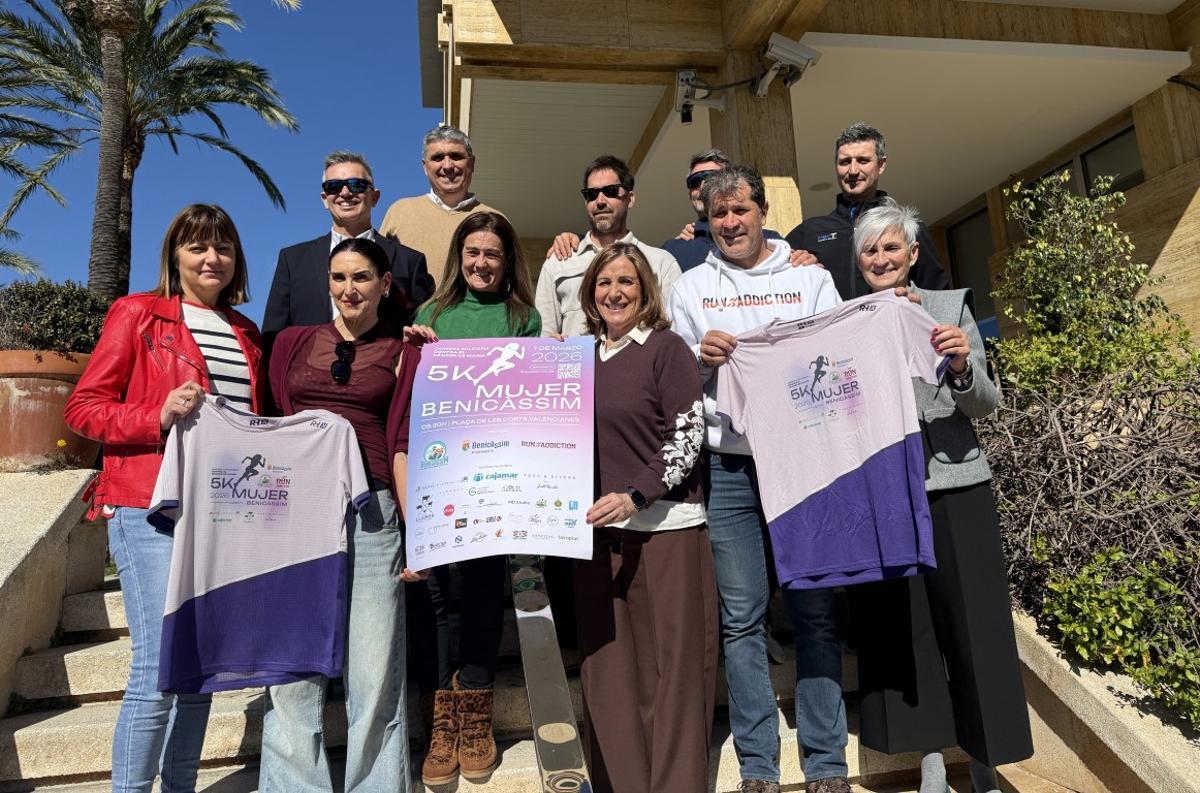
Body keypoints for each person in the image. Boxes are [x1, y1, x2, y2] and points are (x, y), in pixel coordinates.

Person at [63, 204, 267, 793]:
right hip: (146, 503)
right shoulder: (139, 315)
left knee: (200, 666)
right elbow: (83, 409)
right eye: (198, 247)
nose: (211, 258)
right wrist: (155, 414)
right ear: (175, 254)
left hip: (220, 512)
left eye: (223, 248)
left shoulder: (245, 332)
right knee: (157, 665)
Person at [667, 166, 852, 793]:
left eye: (740, 210)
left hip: (803, 462)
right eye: (718, 214)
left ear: (762, 210)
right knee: (741, 619)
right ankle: (757, 766)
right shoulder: (690, 289)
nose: (730, 223)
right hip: (728, 468)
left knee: (815, 612)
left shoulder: (810, 276)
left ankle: (826, 761)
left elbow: (841, 360)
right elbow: (671, 389)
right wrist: (697, 361)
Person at [847, 199, 1032, 793]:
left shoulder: (952, 308)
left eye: (891, 248)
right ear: (860, 260)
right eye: (871, 251)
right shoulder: (848, 322)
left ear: (913, 254)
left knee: (975, 624)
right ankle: (930, 756)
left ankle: (985, 758)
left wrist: (958, 365)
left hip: (958, 481)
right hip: (891, 492)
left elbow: (985, 404)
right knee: (913, 628)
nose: (881, 259)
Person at [260, 236, 424, 793]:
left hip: (373, 510)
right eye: (338, 278)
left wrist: (420, 529)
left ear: (384, 285)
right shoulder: (290, 343)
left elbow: (406, 442)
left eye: (360, 278)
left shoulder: (407, 352)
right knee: (290, 661)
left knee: (374, 666)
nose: (348, 288)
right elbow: (265, 419)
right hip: (295, 510)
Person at [574, 242, 718, 793]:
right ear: (590, 292)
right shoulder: (577, 358)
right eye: (605, 282)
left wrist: (636, 494)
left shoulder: (665, 348)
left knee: (672, 676)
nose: (615, 292)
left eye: (627, 283)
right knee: (606, 673)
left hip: (663, 531)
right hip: (594, 536)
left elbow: (686, 437)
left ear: (646, 291)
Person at [412, 210, 541, 787]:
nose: (482, 263)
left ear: (507, 260)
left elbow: (538, 396)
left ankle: (476, 714)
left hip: (499, 481)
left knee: (487, 594)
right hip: (439, 475)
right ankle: (442, 721)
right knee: (439, 600)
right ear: (457, 259)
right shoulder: (431, 314)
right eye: (472, 253)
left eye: (492, 253)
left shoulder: (523, 317)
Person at [264, 150, 433, 355]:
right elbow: (272, 339)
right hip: (307, 381)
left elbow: (422, 337)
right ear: (325, 199)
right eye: (334, 186)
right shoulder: (293, 261)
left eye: (356, 185)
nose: (345, 193)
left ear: (375, 197)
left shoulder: (410, 262)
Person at [785, 122, 948, 299]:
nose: (853, 170)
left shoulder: (907, 228)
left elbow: (939, 296)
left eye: (863, 160)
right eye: (845, 162)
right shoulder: (809, 232)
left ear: (881, 164)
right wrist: (797, 264)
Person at [535, 154, 681, 337]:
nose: (600, 201)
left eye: (611, 191)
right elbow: (543, 334)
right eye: (591, 194)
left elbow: (674, 333)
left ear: (630, 198)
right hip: (576, 365)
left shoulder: (661, 263)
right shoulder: (559, 262)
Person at [380, 125, 501, 288]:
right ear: (425, 166)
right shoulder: (399, 212)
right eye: (438, 158)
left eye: (456, 156)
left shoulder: (495, 219)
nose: (448, 166)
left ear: (471, 163)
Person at [662, 149, 785, 272]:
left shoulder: (772, 241)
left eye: (713, 178)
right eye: (695, 181)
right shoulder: (672, 251)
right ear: (689, 194)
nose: (703, 186)